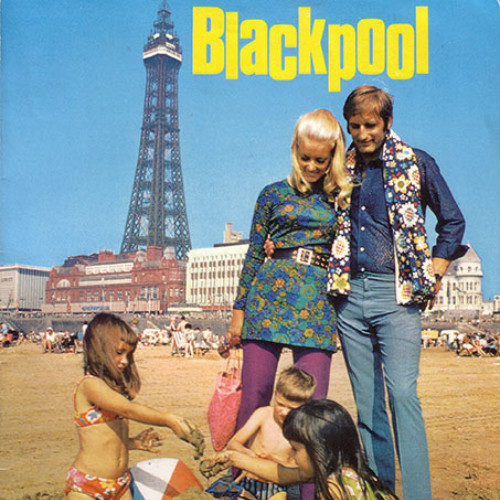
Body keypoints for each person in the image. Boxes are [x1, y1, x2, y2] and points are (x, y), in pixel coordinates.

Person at [325, 85, 467, 499]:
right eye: (355, 125)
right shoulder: (340, 170)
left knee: (403, 394)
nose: (363, 133)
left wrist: (436, 269)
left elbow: (453, 221)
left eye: (371, 124)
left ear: (387, 122)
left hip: (398, 296)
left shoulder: (417, 163)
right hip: (348, 298)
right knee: (368, 405)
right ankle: (381, 492)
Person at [227, 109, 353, 499]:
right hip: (268, 297)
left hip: (317, 303)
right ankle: (239, 488)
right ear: (294, 149)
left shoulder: (342, 200)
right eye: (305, 157)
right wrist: (238, 310)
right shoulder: (270, 194)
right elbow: (252, 253)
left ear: (333, 156)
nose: (312, 166)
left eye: (321, 159)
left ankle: (306, 494)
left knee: (313, 407)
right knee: (255, 395)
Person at [65, 312, 204, 500]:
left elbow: (106, 440)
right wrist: (168, 420)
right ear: (99, 350)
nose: (125, 361)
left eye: (129, 355)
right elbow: (127, 409)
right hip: (88, 485)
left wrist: (133, 443)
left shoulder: (112, 390)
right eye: (119, 353)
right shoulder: (89, 385)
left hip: (121, 484)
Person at [203, 400, 396, 500]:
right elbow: (281, 475)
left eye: (295, 450)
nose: (293, 457)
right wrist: (234, 458)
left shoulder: (333, 487)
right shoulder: (347, 473)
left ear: (318, 451)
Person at [227, 367, 316, 499]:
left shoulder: (302, 430)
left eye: (292, 409)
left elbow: (300, 470)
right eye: (280, 404)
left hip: (279, 485)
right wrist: (249, 456)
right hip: (250, 479)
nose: (284, 412)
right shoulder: (263, 415)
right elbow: (233, 443)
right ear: (275, 393)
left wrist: (275, 464)